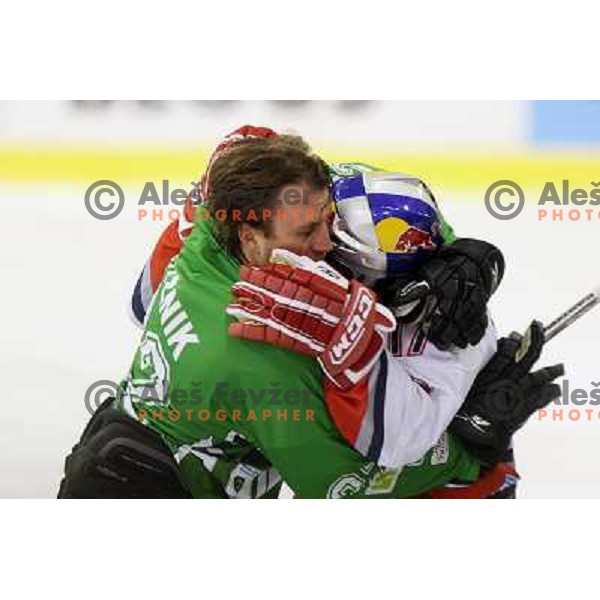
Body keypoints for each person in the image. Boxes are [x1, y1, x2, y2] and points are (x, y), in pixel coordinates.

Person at [58, 133, 562, 498]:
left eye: (328, 221)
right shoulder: (255, 349)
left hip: (121, 443)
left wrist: (449, 254)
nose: (327, 245)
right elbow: (339, 484)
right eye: (305, 236)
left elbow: (140, 303)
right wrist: (471, 445)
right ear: (252, 238)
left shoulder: (218, 219)